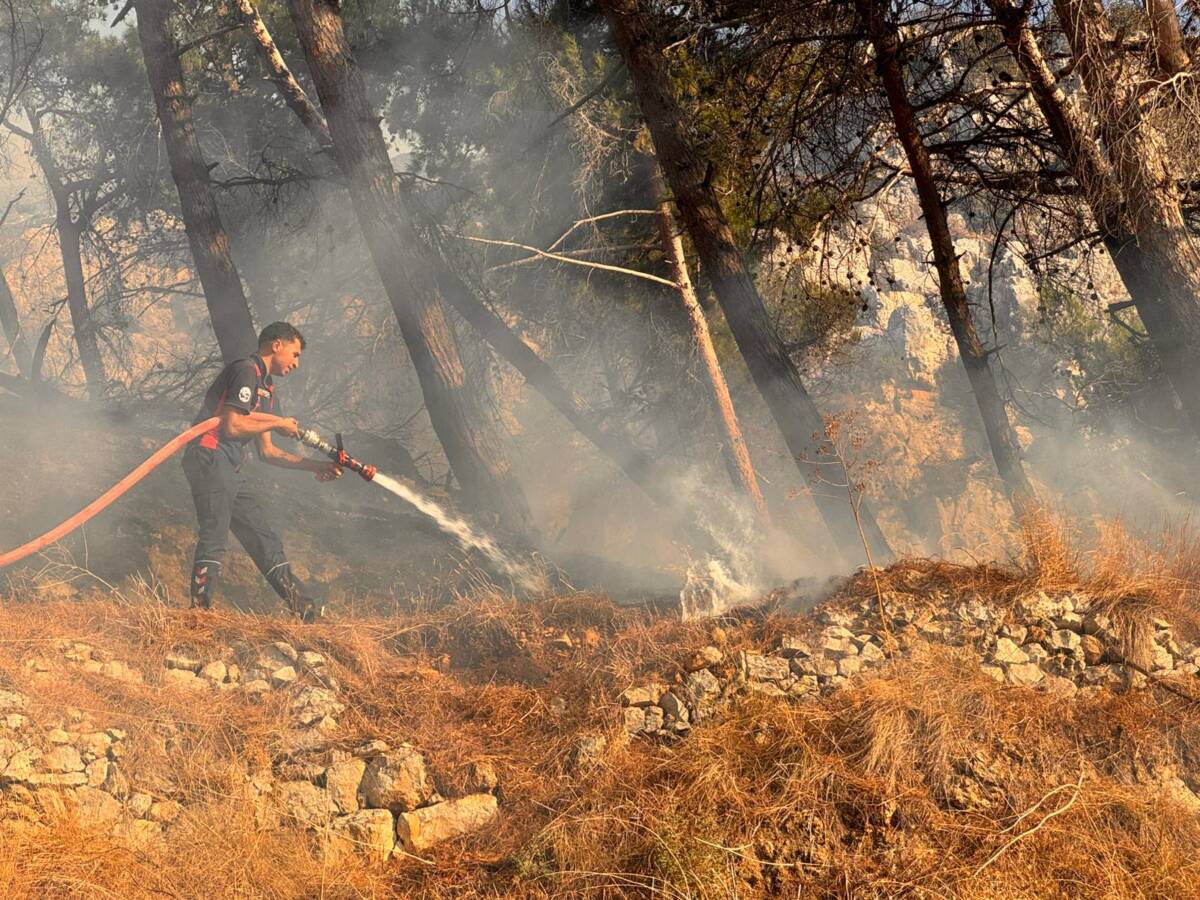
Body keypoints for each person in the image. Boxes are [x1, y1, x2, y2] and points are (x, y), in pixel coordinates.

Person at [182, 321, 341, 621]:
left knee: (262, 536)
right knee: (215, 534)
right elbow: (231, 425)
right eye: (294, 354)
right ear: (276, 345)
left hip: (228, 463)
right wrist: (278, 423)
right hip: (209, 453)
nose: (296, 363)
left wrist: (318, 466)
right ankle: (198, 617)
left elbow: (268, 452)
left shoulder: (267, 389)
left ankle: (305, 609)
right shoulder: (246, 370)